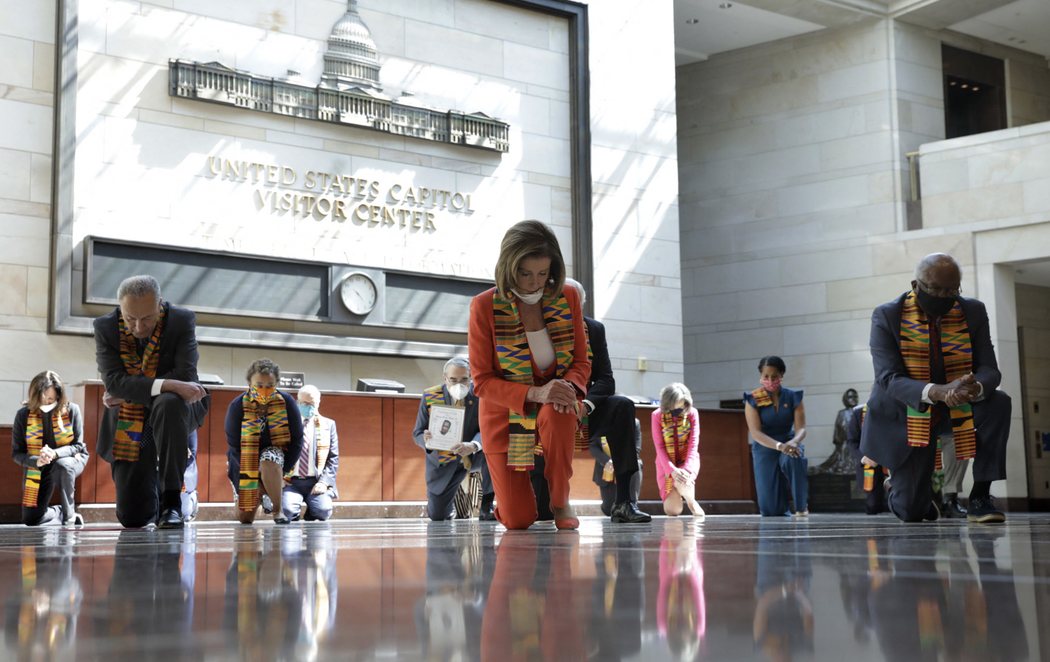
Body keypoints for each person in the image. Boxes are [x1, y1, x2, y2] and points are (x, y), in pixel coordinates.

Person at [861, 252, 1011, 523]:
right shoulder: (887, 315)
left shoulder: (972, 311)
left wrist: (974, 386)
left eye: (951, 290)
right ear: (915, 285)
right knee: (911, 512)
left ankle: (980, 497)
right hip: (907, 415)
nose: (944, 296)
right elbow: (888, 378)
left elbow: (990, 369)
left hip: (957, 408)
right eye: (936, 289)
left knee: (999, 402)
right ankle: (898, 486)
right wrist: (939, 391)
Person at [467, 219, 591, 530]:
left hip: (555, 406)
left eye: (542, 274)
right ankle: (506, 504)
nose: (534, 282)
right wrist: (536, 393)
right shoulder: (484, 306)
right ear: (509, 267)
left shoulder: (568, 297)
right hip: (505, 415)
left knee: (560, 411)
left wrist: (568, 388)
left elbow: (581, 361)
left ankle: (561, 500)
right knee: (518, 520)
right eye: (525, 273)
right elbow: (481, 381)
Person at [94, 274, 209, 529]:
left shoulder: (181, 321)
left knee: (169, 402)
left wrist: (133, 388)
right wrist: (166, 384)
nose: (138, 327)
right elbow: (114, 383)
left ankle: (173, 503)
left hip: (174, 411)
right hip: (128, 416)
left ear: (159, 305)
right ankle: (153, 494)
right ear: (120, 308)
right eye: (130, 318)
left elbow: (185, 376)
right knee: (133, 518)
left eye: (146, 318)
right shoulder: (105, 327)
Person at [565, 277, 650, 523]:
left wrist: (587, 404)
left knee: (622, 405)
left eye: (575, 302)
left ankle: (624, 502)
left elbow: (606, 379)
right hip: (551, 406)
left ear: (581, 304)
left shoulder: (594, 329)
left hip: (586, 407)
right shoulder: (541, 326)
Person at [412, 356, 495, 521]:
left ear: (471, 377)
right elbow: (417, 433)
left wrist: (473, 445)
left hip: (474, 455)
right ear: (445, 378)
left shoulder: (480, 395)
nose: (459, 384)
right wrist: (426, 440)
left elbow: (488, 429)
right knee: (437, 516)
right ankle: (452, 502)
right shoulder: (430, 396)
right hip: (444, 460)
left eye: (464, 379)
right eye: (453, 380)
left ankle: (487, 505)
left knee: (494, 451)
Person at [225, 359, 304, 525]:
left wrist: (281, 472)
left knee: (269, 459)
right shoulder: (237, 405)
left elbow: (297, 441)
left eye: (270, 385)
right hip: (244, 463)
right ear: (249, 383)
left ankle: (277, 510)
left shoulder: (287, 402)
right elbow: (234, 447)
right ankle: (262, 492)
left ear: (277, 384)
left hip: (275, 459)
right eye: (259, 385)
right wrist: (257, 481)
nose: (264, 390)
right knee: (245, 519)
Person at [11, 371, 89, 526]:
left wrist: (55, 453)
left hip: (69, 459)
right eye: (41, 399)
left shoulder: (72, 410)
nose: (46, 403)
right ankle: (60, 512)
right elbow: (17, 453)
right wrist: (36, 461)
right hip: (38, 465)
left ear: (59, 397)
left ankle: (69, 516)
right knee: (31, 518)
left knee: (63, 465)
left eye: (50, 399)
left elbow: (78, 445)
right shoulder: (23, 415)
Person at [743, 356, 808, 517]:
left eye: (774, 376)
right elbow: (755, 433)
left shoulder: (794, 397)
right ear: (760, 376)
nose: (770, 380)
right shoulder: (753, 399)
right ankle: (779, 507)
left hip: (789, 441)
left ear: (781, 376)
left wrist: (793, 442)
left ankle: (801, 507)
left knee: (795, 457)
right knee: (770, 509)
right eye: (766, 376)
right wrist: (779, 446)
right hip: (765, 445)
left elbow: (802, 429)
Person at [282, 385, 340, 522]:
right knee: (287, 512)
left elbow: (333, 458)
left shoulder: (328, 425)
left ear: (319, 402)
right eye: (304, 403)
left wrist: (324, 482)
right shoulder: (286, 424)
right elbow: (277, 453)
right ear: (298, 402)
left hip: (316, 481)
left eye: (312, 403)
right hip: (291, 482)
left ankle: (312, 512)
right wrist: (278, 477)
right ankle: (294, 512)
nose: (309, 407)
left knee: (323, 512)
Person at [652, 383, 705, 517]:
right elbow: (659, 446)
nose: (678, 413)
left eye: (681, 408)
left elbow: (693, 444)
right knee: (673, 510)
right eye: (674, 409)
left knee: (683, 481)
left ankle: (691, 501)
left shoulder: (692, 414)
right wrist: (672, 471)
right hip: (666, 465)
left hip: (687, 461)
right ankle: (678, 493)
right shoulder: (657, 415)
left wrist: (685, 470)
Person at [845, 403, 888, 515]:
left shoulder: (893, 409)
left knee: (898, 504)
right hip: (869, 465)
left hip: (890, 464)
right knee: (873, 505)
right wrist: (863, 458)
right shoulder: (859, 413)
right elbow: (851, 441)